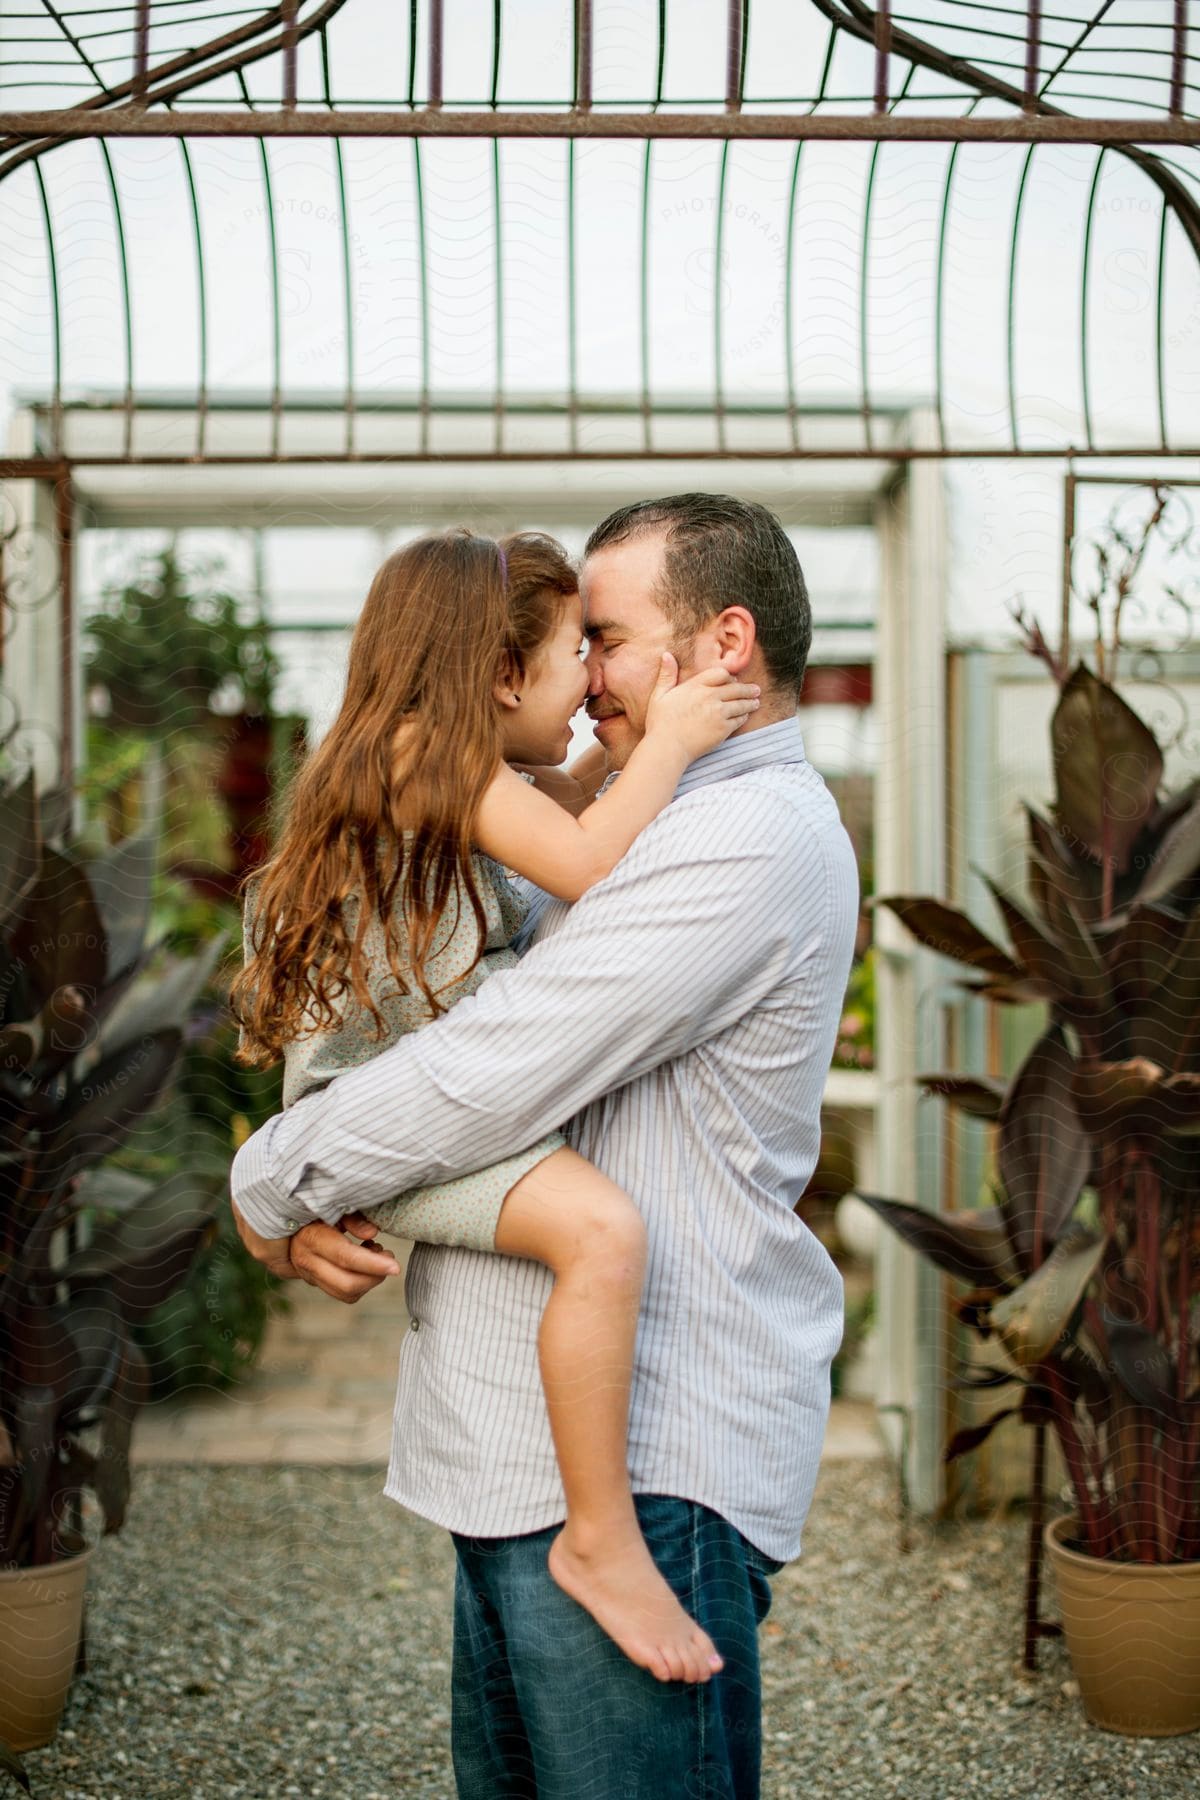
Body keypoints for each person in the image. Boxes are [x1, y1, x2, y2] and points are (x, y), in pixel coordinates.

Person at [232, 494, 859, 1799]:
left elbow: (495, 1059)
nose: (590, 682)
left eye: (610, 637)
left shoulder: (741, 834)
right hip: (519, 1457)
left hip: (650, 1469)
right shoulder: (656, 806)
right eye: (573, 643)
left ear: (722, 646)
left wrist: (274, 1173)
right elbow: (462, 962)